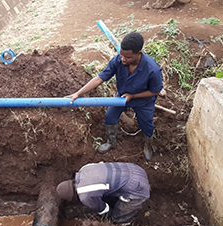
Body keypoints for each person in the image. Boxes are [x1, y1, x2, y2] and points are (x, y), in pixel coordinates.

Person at [67, 32, 163, 160]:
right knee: (110, 116)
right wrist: (78, 93)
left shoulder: (152, 69)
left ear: (138, 53)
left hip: (143, 101)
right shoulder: (118, 60)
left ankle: (148, 145)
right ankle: (111, 142)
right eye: (121, 55)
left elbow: (155, 91)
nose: (123, 59)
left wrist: (133, 96)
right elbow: (100, 78)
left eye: (127, 57)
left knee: (147, 124)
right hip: (121, 97)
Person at [56, 162, 150, 225]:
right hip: (134, 168)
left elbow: (104, 209)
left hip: (137, 188)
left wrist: (109, 219)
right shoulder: (84, 169)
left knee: (119, 217)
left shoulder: (85, 196)